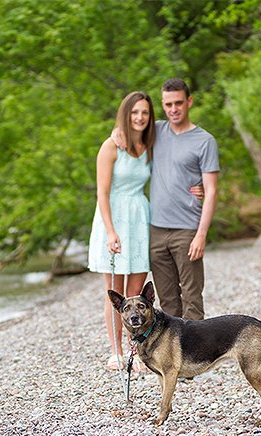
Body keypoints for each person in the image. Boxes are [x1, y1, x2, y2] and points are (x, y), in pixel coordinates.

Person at [116, 77, 219, 320]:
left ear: (189, 102)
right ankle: (172, 355)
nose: (173, 109)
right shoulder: (156, 131)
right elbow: (130, 129)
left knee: (192, 297)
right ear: (163, 105)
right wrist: (117, 131)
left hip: (187, 230)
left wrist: (201, 235)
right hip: (157, 230)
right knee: (167, 299)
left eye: (178, 103)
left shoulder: (205, 141)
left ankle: (195, 354)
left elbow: (212, 190)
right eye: (168, 104)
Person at [88, 91, 155, 370]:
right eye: (134, 112)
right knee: (115, 291)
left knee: (136, 292)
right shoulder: (111, 146)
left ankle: (135, 350)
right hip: (114, 218)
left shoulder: (150, 144)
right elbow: (102, 194)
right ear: (125, 115)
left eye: (145, 113)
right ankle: (115, 352)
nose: (140, 117)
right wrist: (110, 231)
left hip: (139, 217)